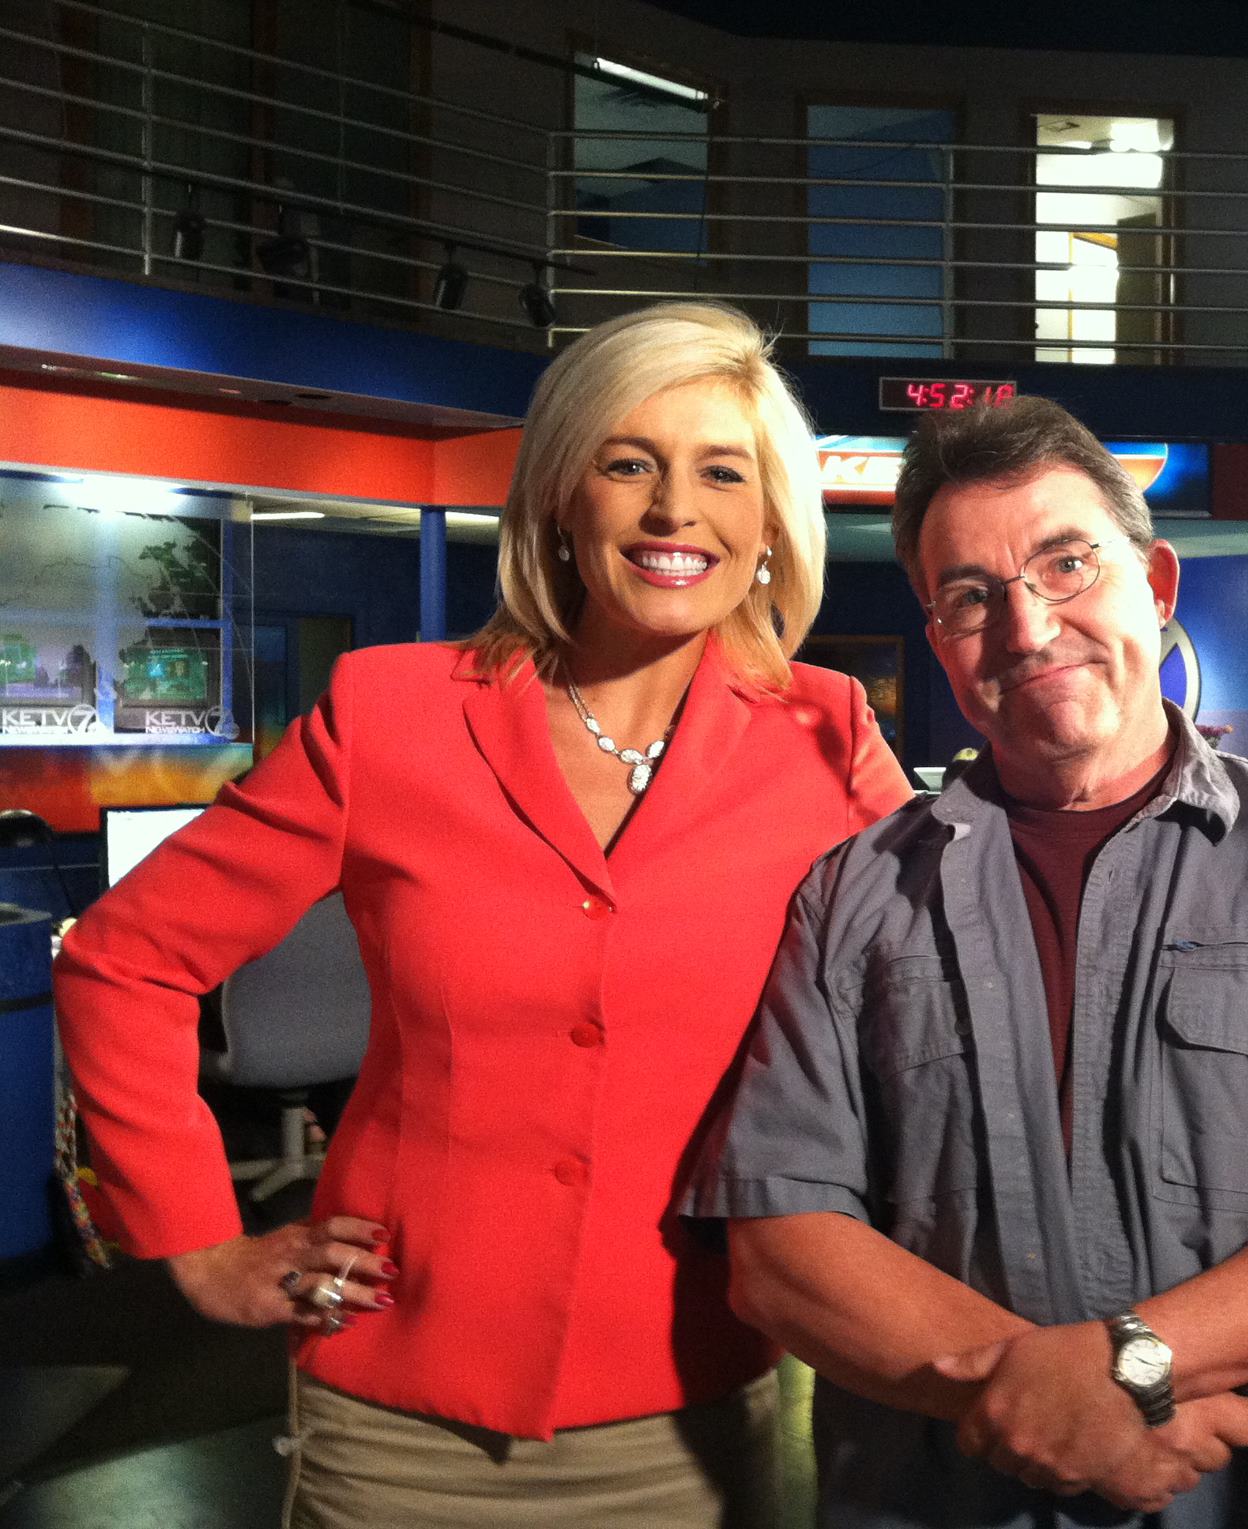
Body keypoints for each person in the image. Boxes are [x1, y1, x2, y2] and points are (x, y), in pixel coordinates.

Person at [53, 302, 911, 1527]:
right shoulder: (389, 714)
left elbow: (942, 1001)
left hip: (688, 1396)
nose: (675, 509)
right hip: (398, 1407)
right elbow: (124, 958)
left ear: (770, 519)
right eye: (629, 464)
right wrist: (196, 1240)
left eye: (722, 472)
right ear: (560, 497)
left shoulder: (826, 735)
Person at [680, 396, 1248, 1526]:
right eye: (971, 596)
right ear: (940, 642)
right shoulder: (852, 895)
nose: (1028, 626)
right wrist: (1058, 1403)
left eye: (1066, 564)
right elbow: (781, 1245)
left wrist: (1126, 1367)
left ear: (1155, 584)